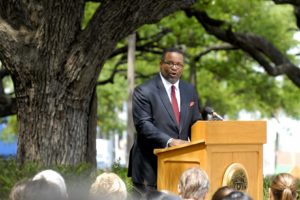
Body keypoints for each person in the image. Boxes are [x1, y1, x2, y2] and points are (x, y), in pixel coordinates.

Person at [127, 47, 202, 197]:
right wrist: (170, 141)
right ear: (161, 64)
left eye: (178, 64)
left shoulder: (189, 90)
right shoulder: (144, 90)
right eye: (170, 63)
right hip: (149, 167)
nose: (174, 68)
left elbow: (196, 122)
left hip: (179, 166)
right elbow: (143, 125)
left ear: (183, 67)